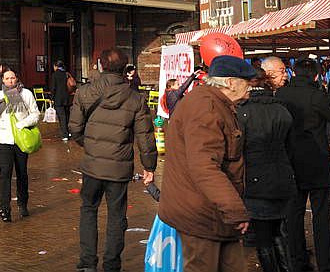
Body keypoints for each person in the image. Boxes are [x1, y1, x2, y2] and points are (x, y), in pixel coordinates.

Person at [158, 55, 255, 272]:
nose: (251, 88)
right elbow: (205, 167)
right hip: (201, 213)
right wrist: (234, 209)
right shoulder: (206, 108)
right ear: (231, 82)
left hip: (214, 212)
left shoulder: (217, 104)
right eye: (247, 82)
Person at [69, 48, 157, 272]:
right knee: (117, 216)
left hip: (92, 165)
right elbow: (145, 136)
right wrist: (149, 166)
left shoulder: (84, 92)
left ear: (100, 65)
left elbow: (75, 129)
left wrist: (91, 146)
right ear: (125, 69)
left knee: (89, 210)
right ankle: (111, 264)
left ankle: (87, 263)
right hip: (119, 167)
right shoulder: (136, 98)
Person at [277, 57, 330, 272]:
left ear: (294, 72)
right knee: (321, 219)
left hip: (290, 163)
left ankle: (298, 262)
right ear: (315, 75)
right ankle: (327, 265)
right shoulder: (316, 96)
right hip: (317, 163)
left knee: (293, 217)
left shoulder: (280, 95)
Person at [238, 64, 294, 272]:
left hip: (255, 180)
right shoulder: (282, 109)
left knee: (263, 238)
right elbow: (290, 145)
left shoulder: (242, 112)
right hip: (282, 177)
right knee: (279, 232)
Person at [0, 68, 39, 222]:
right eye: (7, 78)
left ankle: (23, 204)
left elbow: (35, 114)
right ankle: (5, 209)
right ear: (2, 80)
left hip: (20, 140)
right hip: (4, 140)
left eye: (13, 78)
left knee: (22, 173)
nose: (10, 81)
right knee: (4, 175)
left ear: (17, 79)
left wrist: (23, 123)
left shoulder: (26, 94)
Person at [49, 60, 73, 140]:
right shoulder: (66, 74)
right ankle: (69, 132)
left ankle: (65, 135)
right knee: (67, 116)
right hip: (67, 98)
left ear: (56, 66)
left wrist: (52, 98)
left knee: (62, 117)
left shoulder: (54, 75)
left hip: (58, 99)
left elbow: (53, 88)